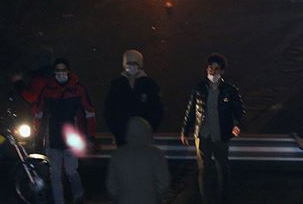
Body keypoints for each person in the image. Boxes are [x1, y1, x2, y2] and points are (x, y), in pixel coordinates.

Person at [180, 53, 245, 204]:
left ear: (222, 71)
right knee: (204, 169)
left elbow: (239, 110)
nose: (213, 71)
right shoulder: (199, 88)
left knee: (222, 168)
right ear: (206, 69)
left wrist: (236, 124)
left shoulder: (230, 90)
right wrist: (185, 130)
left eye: (216, 69)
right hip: (203, 134)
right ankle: (206, 199)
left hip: (221, 134)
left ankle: (223, 198)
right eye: (210, 68)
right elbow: (191, 109)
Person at [35, 58, 96, 204]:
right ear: (54, 72)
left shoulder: (78, 89)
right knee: (55, 175)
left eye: (63, 70)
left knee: (71, 171)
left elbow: (89, 112)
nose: (61, 73)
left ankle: (78, 196)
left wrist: (90, 135)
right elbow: (38, 113)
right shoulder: (48, 90)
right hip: (53, 137)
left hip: (72, 137)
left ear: (68, 71)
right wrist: (38, 135)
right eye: (58, 70)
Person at [105, 50, 164, 146]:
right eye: (129, 63)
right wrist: (116, 131)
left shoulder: (149, 85)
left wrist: (149, 129)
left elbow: (157, 110)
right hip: (122, 136)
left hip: (144, 136)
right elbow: (109, 110)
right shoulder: (117, 85)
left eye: (135, 63)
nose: (132, 66)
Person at [106, 117, 170, 204]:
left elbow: (111, 184)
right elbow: (163, 183)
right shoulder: (156, 154)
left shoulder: (118, 154)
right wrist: (155, 196)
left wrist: (119, 197)